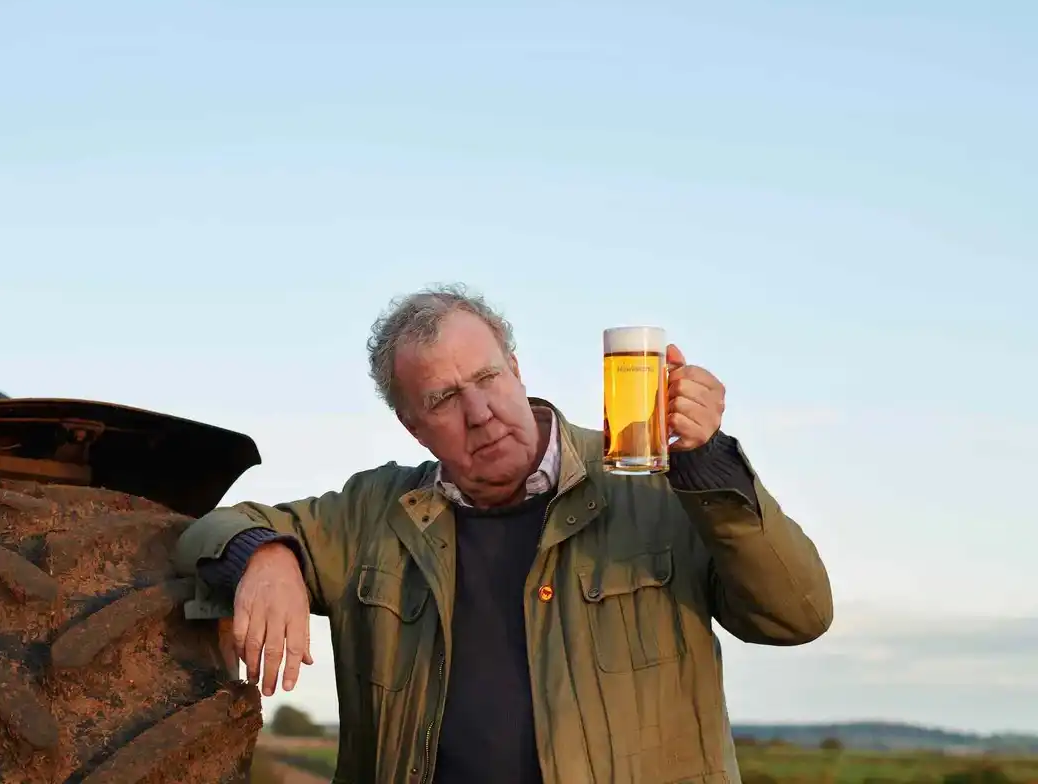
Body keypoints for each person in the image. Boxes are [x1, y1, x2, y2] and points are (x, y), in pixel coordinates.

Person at [174, 285, 832, 784]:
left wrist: (708, 460)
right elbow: (213, 528)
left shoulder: (658, 485)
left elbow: (794, 615)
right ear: (411, 424)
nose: (481, 413)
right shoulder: (372, 512)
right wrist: (265, 555)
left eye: (488, 378)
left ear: (516, 370)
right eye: (443, 399)